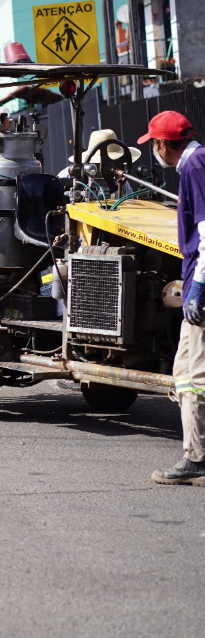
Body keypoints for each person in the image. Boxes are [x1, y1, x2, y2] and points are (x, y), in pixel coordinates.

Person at [140, 112, 205, 485]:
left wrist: (197, 286)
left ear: (165, 144)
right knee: (186, 370)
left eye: (154, 144)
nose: (154, 151)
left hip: (202, 284)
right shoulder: (199, 162)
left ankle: (195, 458)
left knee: (190, 376)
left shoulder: (194, 165)